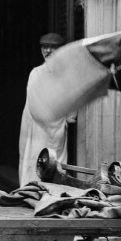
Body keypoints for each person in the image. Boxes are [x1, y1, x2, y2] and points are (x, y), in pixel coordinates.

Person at [17, 32, 76, 187]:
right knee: (31, 163)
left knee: (52, 165)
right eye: (45, 47)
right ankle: (29, 191)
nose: (48, 51)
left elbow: (71, 110)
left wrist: (68, 119)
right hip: (32, 130)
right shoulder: (35, 73)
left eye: (53, 47)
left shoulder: (66, 75)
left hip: (54, 131)